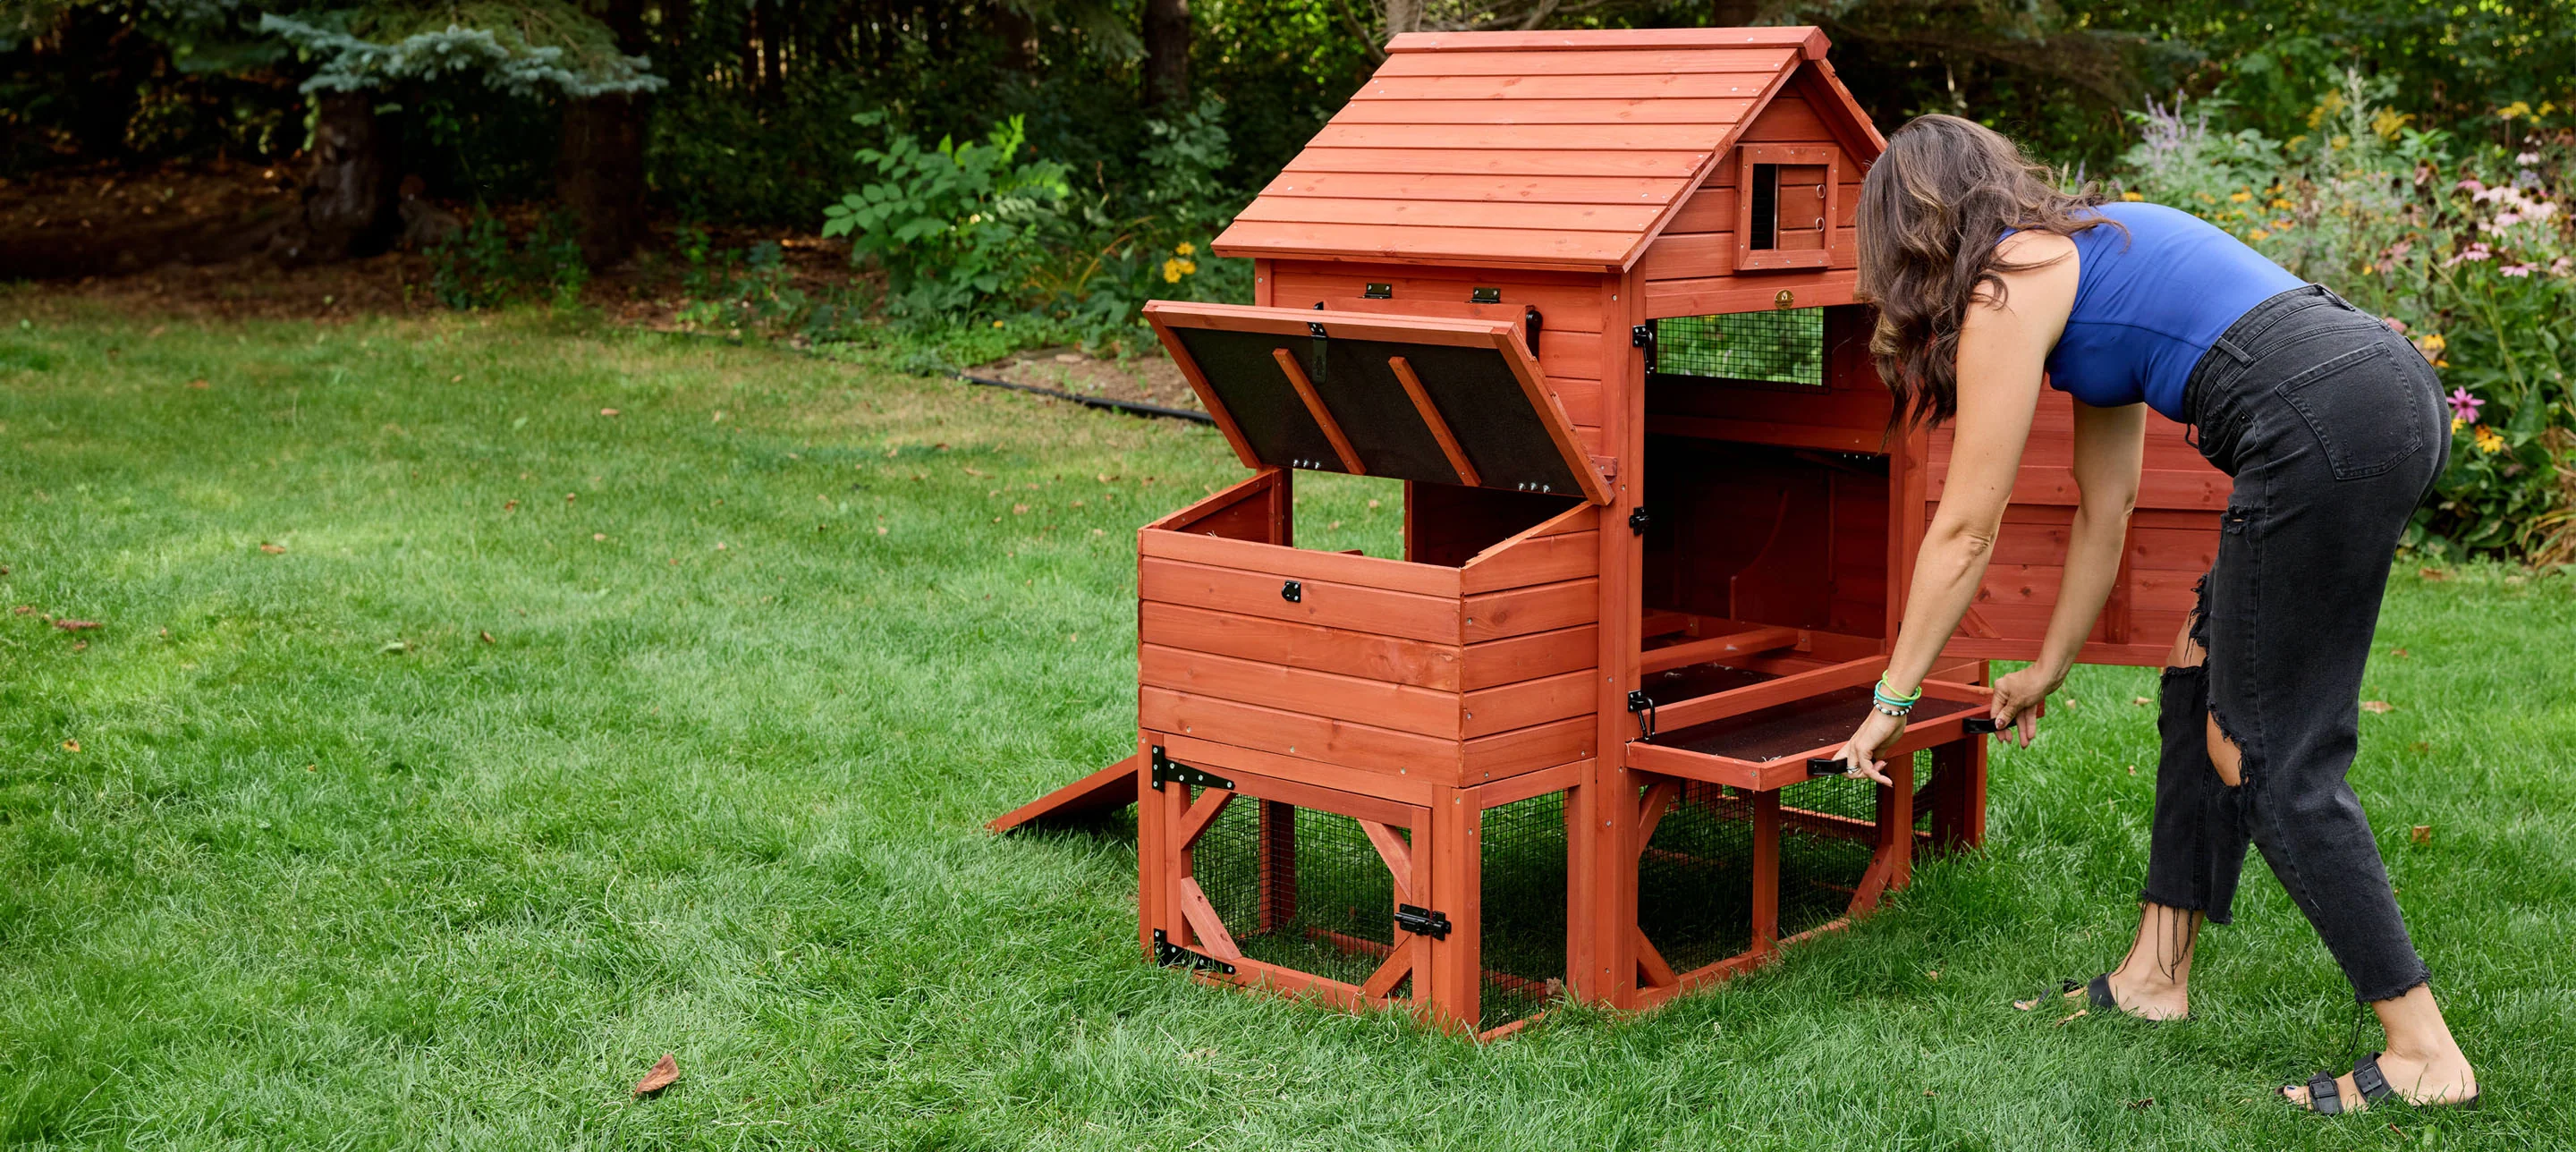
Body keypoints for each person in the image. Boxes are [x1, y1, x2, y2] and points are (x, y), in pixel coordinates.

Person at [1825, 114, 2478, 1114]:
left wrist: (1892, 696)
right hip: (2383, 394)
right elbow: (2107, 506)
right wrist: (2050, 665)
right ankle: (2153, 975)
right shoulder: (2093, 251)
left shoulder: (2006, 283)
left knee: (2257, 750)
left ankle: (2422, 1048)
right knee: (2195, 669)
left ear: (1911, 227)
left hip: (2323, 419)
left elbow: (1965, 526)